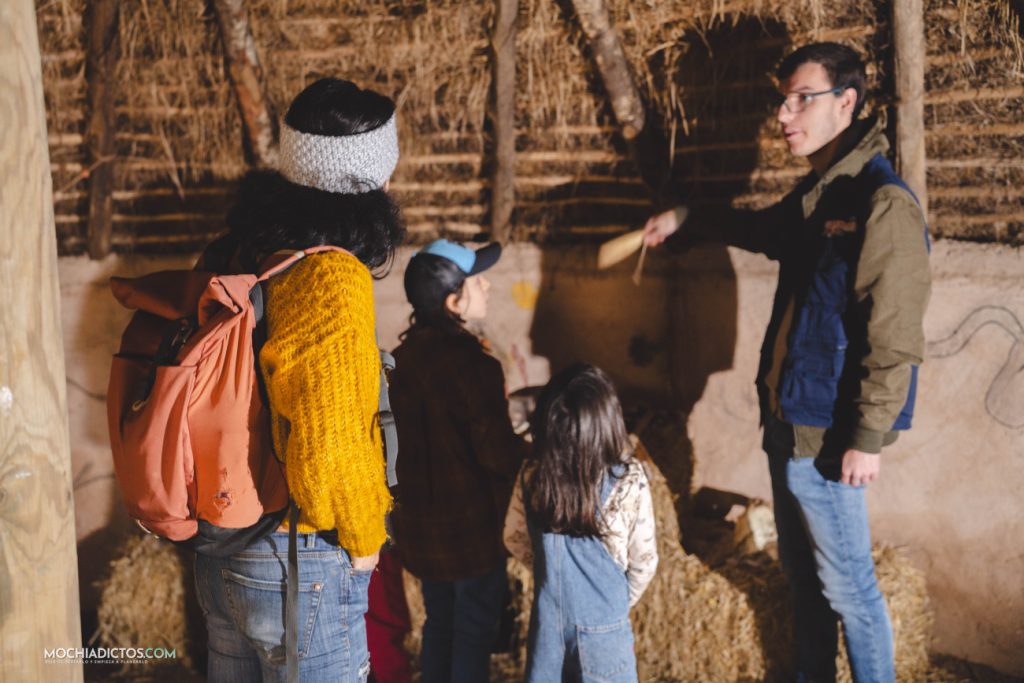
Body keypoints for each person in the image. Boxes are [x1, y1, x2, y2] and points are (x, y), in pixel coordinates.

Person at [643, 43, 931, 683]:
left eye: (802, 98)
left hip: (827, 435)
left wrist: (866, 438)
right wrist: (688, 218)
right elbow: (764, 231)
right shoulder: (821, 197)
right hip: (788, 422)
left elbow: (895, 336)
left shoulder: (881, 203)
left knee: (851, 589)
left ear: (846, 103)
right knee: (804, 585)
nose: (783, 113)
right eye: (782, 98)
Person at [193, 77, 406, 682]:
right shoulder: (332, 278)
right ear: (371, 179)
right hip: (298, 556)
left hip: (225, 544)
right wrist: (365, 539)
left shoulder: (241, 251)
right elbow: (330, 443)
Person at [388, 239, 528, 682]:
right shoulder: (475, 366)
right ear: (453, 301)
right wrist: (535, 455)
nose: (486, 286)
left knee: (440, 623)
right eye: (476, 281)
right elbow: (496, 453)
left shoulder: (401, 360)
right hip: (470, 533)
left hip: (422, 532)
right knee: (473, 632)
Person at [503, 363, 658, 683]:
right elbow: (644, 563)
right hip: (605, 634)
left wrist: (548, 577)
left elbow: (513, 538)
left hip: (548, 628)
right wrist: (613, 602)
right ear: (608, 423)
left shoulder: (531, 475)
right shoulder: (629, 480)